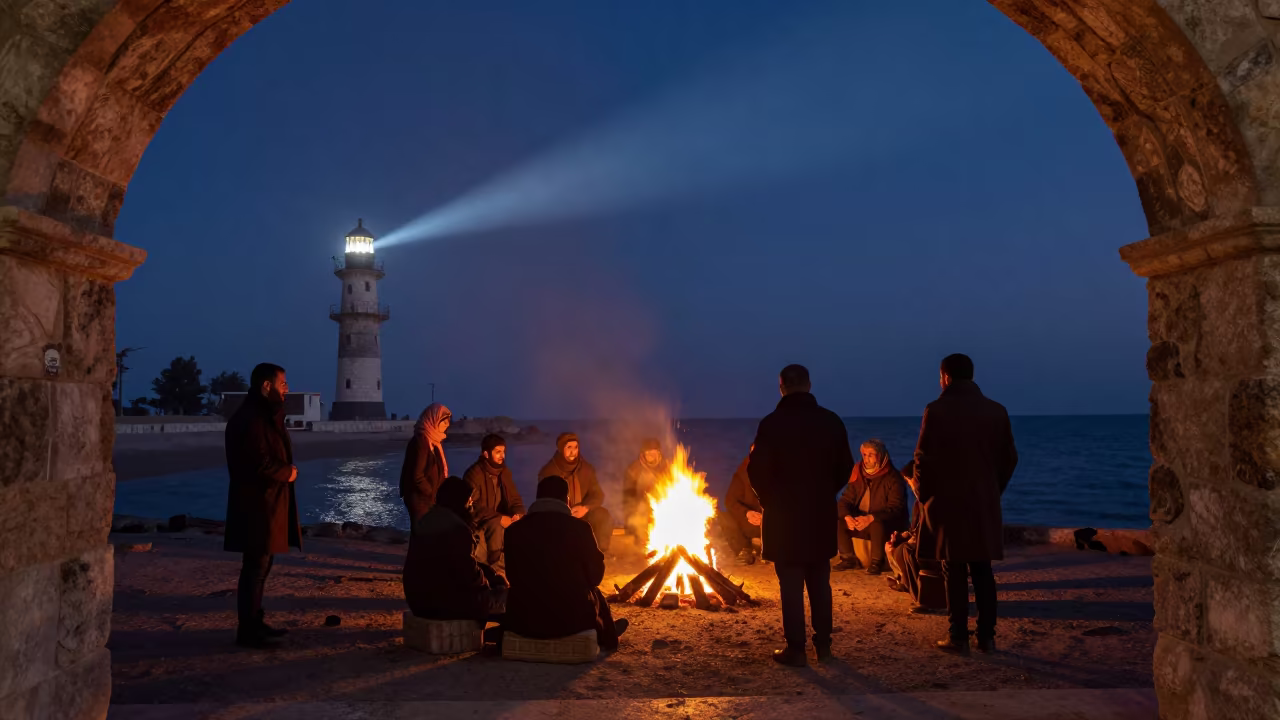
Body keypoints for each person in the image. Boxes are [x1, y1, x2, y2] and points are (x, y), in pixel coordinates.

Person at [748, 364, 854, 666]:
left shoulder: (772, 424)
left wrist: (770, 500)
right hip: (819, 512)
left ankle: (796, 649)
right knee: (820, 580)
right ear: (808, 385)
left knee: (790, 584)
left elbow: (756, 471)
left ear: (781, 387)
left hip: (783, 517)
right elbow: (845, 466)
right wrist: (825, 492)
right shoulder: (831, 421)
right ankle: (824, 647)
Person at [913, 353, 1018, 655]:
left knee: (953, 569)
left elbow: (923, 458)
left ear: (945, 376)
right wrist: (992, 489)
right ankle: (986, 636)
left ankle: (958, 634)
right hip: (982, 501)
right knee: (982, 569)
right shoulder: (996, 411)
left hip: (946, 503)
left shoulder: (936, 410)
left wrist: (924, 495)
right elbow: (1010, 458)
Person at [500, 476, 629, 650]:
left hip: (525, 620)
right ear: (566, 500)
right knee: (595, 593)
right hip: (572, 622)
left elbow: (513, 576)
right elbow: (595, 577)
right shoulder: (581, 529)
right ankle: (607, 633)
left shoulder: (514, 531)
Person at [224, 362, 301, 648]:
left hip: (263, 503)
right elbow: (259, 463)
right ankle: (249, 629)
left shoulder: (259, 415)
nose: (287, 389)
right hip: (257, 505)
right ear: (266, 386)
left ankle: (255, 623)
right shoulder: (253, 419)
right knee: (255, 567)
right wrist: (288, 473)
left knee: (260, 566)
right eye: (283, 384)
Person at [402, 476, 507, 623]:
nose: (472, 504)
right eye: (468, 500)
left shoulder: (427, 522)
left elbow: (456, 563)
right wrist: (492, 586)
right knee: (505, 597)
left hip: (417, 600)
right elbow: (469, 576)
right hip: (440, 606)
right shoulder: (456, 530)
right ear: (458, 502)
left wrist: (490, 573)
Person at [834, 439, 908, 575]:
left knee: (876, 523)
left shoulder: (893, 479)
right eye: (864, 454)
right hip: (862, 522)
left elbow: (896, 508)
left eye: (870, 455)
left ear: (879, 456)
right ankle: (848, 559)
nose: (866, 459)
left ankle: (876, 562)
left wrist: (870, 518)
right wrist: (848, 516)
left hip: (886, 525)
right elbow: (844, 501)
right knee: (840, 521)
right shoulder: (858, 474)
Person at [883, 460, 946, 614]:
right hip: (922, 539)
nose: (910, 485)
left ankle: (922, 597)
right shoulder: (919, 502)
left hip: (937, 543)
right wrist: (904, 535)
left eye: (910, 481)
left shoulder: (934, 500)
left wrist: (914, 539)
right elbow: (915, 527)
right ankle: (907, 583)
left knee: (906, 550)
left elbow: (935, 528)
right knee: (894, 546)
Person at [537, 432, 613, 552]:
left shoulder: (587, 469)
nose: (573, 451)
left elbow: (598, 495)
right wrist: (563, 511)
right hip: (559, 517)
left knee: (602, 515)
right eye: (569, 447)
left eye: (576, 447)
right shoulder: (548, 472)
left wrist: (585, 508)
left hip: (582, 514)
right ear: (561, 449)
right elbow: (542, 502)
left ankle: (600, 553)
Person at [462, 434, 526, 575]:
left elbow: (515, 499)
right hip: (481, 522)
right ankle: (494, 569)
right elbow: (471, 507)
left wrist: (518, 514)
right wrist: (498, 518)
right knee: (496, 526)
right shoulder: (474, 474)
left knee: (523, 524)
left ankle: (517, 567)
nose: (502, 455)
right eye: (498, 452)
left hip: (501, 518)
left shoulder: (504, 473)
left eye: (503, 452)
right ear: (486, 453)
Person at [400, 403, 450, 523]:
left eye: (448, 421)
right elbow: (417, 476)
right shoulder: (421, 442)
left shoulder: (434, 441)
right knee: (422, 532)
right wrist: (431, 494)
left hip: (428, 498)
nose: (447, 425)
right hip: (420, 499)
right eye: (444, 422)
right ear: (433, 420)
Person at [721, 451, 763, 565]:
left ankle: (764, 546)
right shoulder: (742, 475)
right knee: (723, 516)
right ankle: (744, 550)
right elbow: (730, 501)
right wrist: (747, 513)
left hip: (772, 527)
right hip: (749, 522)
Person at [622, 438, 665, 546]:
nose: (652, 456)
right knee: (641, 508)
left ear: (659, 453)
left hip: (662, 505)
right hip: (640, 507)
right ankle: (642, 540)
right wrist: (630, 519)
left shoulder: (667, 467)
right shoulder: (634, 470)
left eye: (654, 452)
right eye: (649, 453)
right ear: (643, 454)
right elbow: (628, 497)